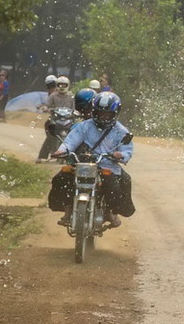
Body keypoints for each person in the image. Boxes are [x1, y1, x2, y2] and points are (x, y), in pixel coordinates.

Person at [49, 92, 134, 228]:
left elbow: (127, 150)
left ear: (115, 113)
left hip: (107, 166)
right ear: (94, 111)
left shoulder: (121, 131)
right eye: (100, 113)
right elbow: (70, 142)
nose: (103, 116)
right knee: (61, 179)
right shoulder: (84, 126)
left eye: (107, 114)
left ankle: (110, 212)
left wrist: (120, 155)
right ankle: (67, 210)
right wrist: (61, 151)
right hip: (83, 164)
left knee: (114, 187)